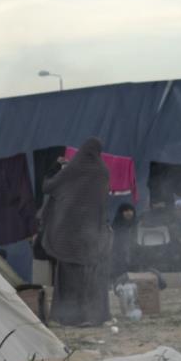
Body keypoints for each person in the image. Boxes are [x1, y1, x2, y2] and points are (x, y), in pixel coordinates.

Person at [40, 138, 112, 326]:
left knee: (69, 275)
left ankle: (67, 316)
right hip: (93, 233)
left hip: (69, 233)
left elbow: (48, 187)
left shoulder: (73, 168)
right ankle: (93, 316)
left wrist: (56, 167)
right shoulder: (103, 172)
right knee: (92, 275)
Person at [110, 202, 141, 281]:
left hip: (134, 254)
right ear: (121, 213)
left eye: (130, 210)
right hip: (119, 254)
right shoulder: (116, 225)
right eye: (126, 210)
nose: (129, 212)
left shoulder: (136, 224)